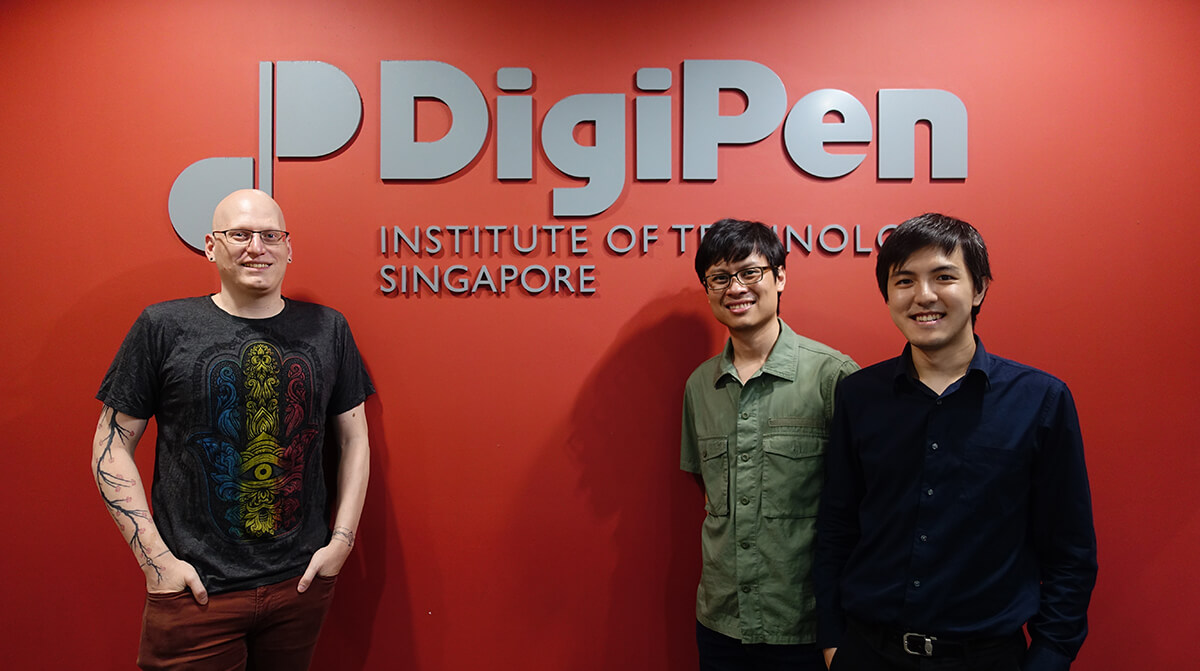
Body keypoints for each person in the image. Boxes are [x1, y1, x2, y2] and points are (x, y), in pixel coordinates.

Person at [91, 189, 374, 670]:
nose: (256, 247)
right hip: (195, 593)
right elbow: (111, 444)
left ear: (289, 247)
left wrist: (341, 543)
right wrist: (155, 561)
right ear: (210, 246)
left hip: (298, 586)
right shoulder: (164, 326)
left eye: (270, 235)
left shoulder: (328, 328)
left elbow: (353, 439)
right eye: (239, 234)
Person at [814, 213, 1098, 671]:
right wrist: (831, 640)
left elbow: (1071, 552)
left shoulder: (1040, 400)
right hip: (868, 651)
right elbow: (837, 527)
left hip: (986, 657)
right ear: (887, 295)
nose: (924, 295)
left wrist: (1050, 655)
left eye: (944, 277)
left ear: (979, 288)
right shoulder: (858, 395)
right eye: (904, 280)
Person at [680, 218, 858, 671]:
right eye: (720, 277)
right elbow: (705, 485)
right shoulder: (701, 385)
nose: (735, 287)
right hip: (721, 623)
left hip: (806, 624)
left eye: (749, 272)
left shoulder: (834, 376)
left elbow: (864, 502)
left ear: (780, 276)